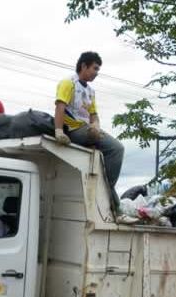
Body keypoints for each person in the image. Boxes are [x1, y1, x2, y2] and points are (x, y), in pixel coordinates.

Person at [53, 51, 125, 198]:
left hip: (86, 129)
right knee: (116, 148)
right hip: (73, 129)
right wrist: (58, 131)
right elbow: (60, 107)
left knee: (112, 148)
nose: (97, 73)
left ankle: (107, 187)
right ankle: (107, 190)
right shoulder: (68, 83)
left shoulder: (90, 91)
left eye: (98, 69)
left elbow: (93, 114)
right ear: (84, 66)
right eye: (95, 68)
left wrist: (96, 124)